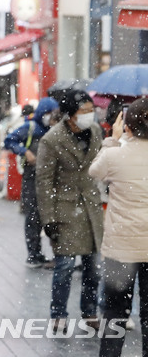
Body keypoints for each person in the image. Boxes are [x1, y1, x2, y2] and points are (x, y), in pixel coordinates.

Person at [36, 89, 103, 332]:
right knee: (64, 267)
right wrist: (48, 219)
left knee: (93, 266)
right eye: (84, 111)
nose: (89, 115)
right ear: (70, 115)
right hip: (64, 210)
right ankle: (58, 314)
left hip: (91, 208)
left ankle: (89, 311)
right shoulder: (52, 140)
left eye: (91, 110)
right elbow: (43, 182)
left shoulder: (96, 132)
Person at [90, 98, 148, 356]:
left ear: (128, 125)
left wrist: (112, 139)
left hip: (120, 250)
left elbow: (95, 171)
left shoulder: (114, 155)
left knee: (114, 314)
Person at [4, 97, 59, 268]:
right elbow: (9, 141)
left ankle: (57, 254)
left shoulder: (56, 130)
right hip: (31, 179)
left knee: (51, 217)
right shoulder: (31, 127)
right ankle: (34, 255)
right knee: (33, 218)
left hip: (50, 180)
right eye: (49, 114)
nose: (51, 118)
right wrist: (24, 152)